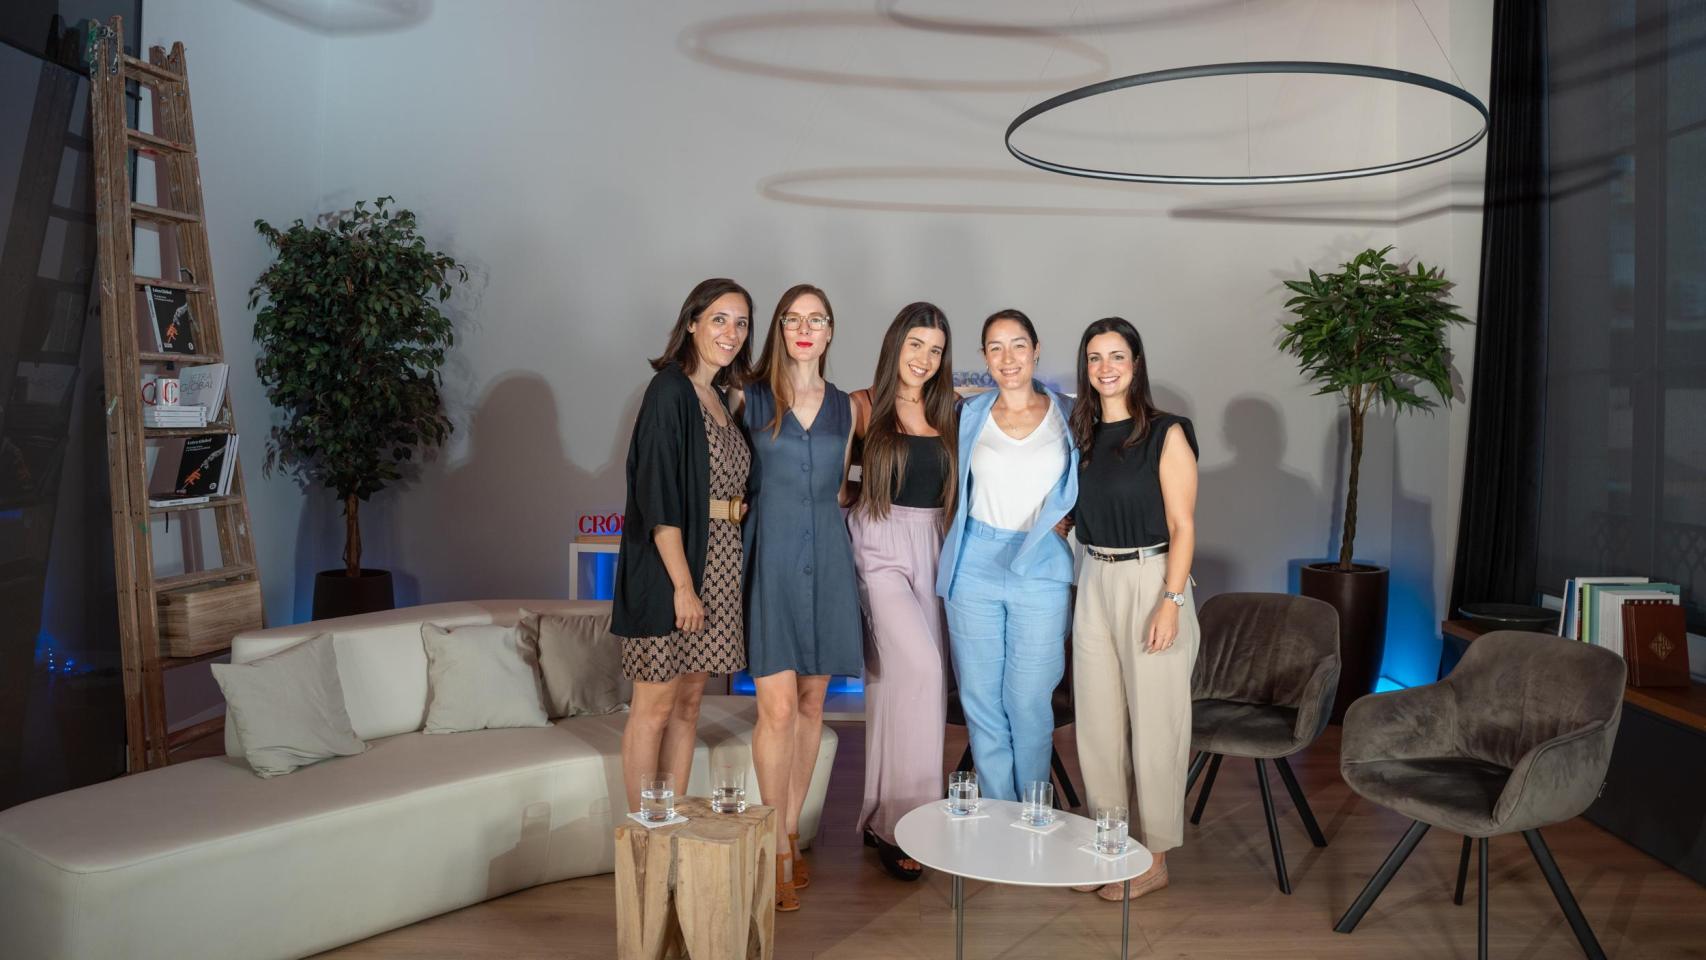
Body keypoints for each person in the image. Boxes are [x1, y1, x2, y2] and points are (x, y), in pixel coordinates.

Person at [732, 283, 862, 912]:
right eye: (793, 319)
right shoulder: (747, 397)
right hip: (771, 558)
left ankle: (790, 833)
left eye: (816, 319)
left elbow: (839, 491)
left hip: (829, 560)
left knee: (812, 704)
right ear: (779, 329)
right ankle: (772, 849)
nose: (805, 329)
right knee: (778, 709)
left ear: (831, 331)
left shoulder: (848, 408)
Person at [1066, 316, 1201, 901]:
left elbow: (1183, 525)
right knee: (1097, 726)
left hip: (1153, 579)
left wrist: (1171, 601)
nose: (1106, 368)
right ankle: (1112, 847)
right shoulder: (1082, 435)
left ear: (1136, 363)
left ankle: (1157, 857)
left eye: (1116, 355)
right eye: (1095, 357)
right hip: (1093, 577)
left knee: (1156, 726)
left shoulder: (1167, 432)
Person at [612, 278, 754, 820]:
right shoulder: (668, 391)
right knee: (654, 706)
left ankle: (667, 817)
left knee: (690, 704)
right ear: (691, 323)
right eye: (719, 319)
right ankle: (644, 832)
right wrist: (682, 587)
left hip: (719, 563)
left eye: (740, 323)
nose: (731, 333)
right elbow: (658, 497)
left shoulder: (721, 398)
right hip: (671, 569)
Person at [935, 309, 1077, 803]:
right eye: (995, 347)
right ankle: (999, 813)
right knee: (981, 701)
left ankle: (1034, 813)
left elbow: (1100, 479)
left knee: (1029, 701)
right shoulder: (966, 414)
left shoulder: (1070, 414)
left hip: (1041, 565)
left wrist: (1072, 517)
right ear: (984, 357)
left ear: (1036, 350)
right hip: (973, 561)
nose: (1008, 357)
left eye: (1018, 345)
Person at [848, 303, 957, 881]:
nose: (924, 358)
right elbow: (832, 482)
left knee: (897, 686)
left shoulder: (951, 411)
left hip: (935, 545)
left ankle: (881, 816)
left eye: (935, 350)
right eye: (915, 344)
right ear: (895, 345)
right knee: (922, 669)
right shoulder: (862, 406)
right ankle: (909, 825)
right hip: (879, 543)